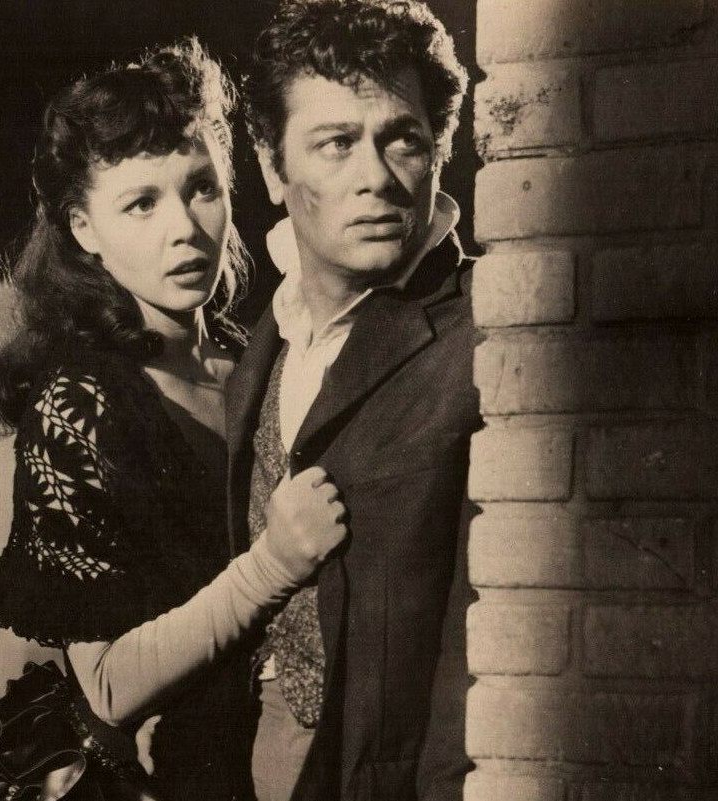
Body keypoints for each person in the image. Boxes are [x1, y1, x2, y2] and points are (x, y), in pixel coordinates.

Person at [0, 39, 348, 801]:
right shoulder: (78, 406)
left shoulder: (264, 354)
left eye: (201, 188)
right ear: (84, 229)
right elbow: (109, 686)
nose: (185, 227)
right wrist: (274, 564)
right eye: (141, 202)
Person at [227, 2, 477, 800]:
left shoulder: (485, 335)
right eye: (336, 143)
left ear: (439, 152)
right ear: (273, 169)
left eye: (403, 139)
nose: (375, 176)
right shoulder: (262, 341)